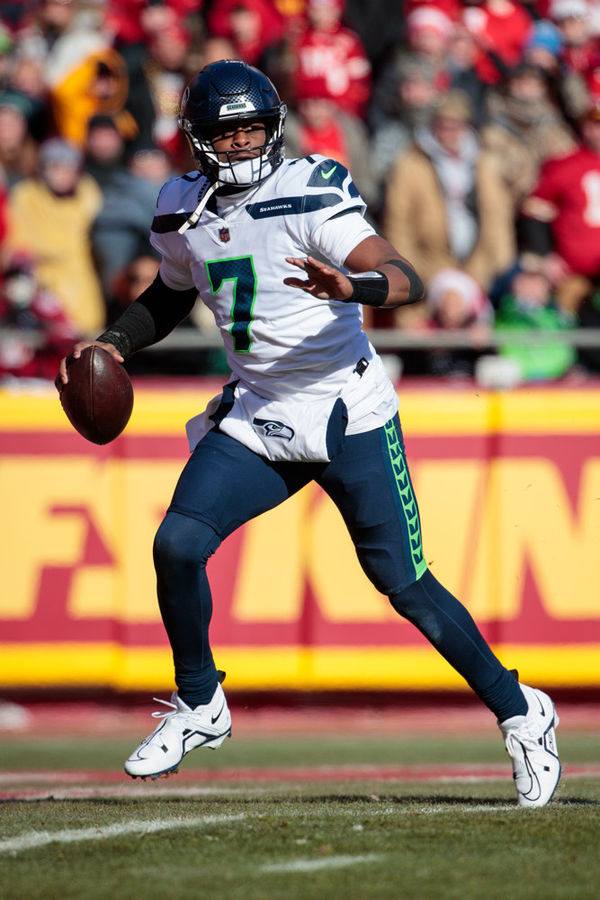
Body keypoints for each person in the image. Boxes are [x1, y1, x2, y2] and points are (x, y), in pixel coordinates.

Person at [57, 59, 561, 808]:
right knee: (177, 544)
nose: (241, 145)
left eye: (253, 129)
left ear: (275, 127)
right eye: (226, 134)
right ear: (197, 139)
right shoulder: (179, 206)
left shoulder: (307, 190)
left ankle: (523, 712)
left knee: (406, 586)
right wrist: (113, 345)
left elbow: (403, 277)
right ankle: (201, 703)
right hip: (259, 411)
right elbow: (168, 294)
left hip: (343, 410)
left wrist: (348, 285)